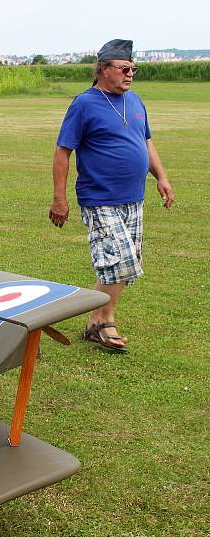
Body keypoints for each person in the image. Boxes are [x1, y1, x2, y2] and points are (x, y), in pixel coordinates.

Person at [49, 39, 175, 353]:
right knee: (118, 262)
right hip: (99, 198)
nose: (130, 74)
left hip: (134, 198)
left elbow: (146, 142)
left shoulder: (135, 101)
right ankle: (104, 321)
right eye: (124, 68)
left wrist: (161, 176)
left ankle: (96, 321)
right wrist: (59, 199)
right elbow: (63, 152)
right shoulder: (84, 104)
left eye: (133, 68)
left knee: (125, 265)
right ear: (104, 69)